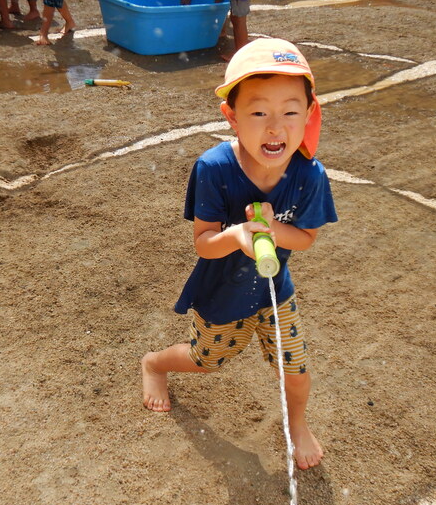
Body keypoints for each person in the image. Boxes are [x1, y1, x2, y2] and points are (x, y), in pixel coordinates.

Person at [141, 37, 337, 472]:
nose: (275, 127)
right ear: (231, 116)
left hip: (275, 293)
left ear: (309, 113)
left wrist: (272, 229)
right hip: (221, 295)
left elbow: (305, 238)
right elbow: (204, 243)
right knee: (207, 360)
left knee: (296, 366)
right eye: (258, 112)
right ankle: (154, 363)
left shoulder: (309, 174)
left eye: (290, 111)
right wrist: (238, 235)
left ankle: (298, 424)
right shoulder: (214, 169)